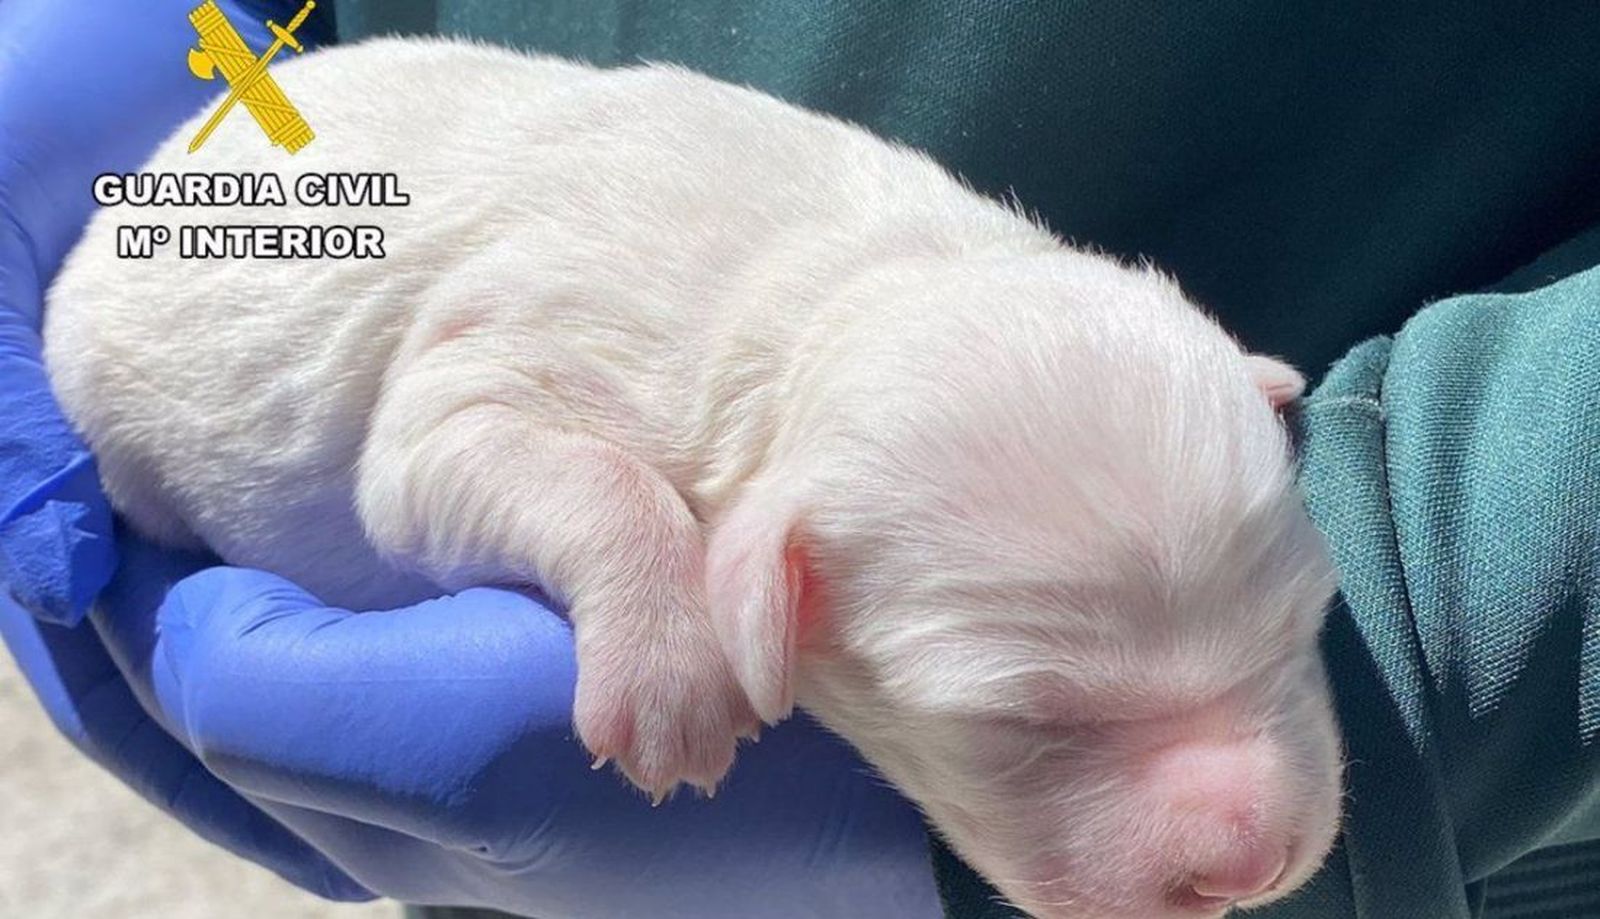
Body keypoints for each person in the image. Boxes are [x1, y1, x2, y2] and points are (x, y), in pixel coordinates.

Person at [3, 2, 1598, 918]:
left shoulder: (1064, 366)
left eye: (1278, 636)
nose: (1244, 827)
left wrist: (1416, 586)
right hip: (219, 245)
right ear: (778, 578)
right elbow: (446, 429)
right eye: (1041, 718)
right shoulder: (686, 335)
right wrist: (629, 557)